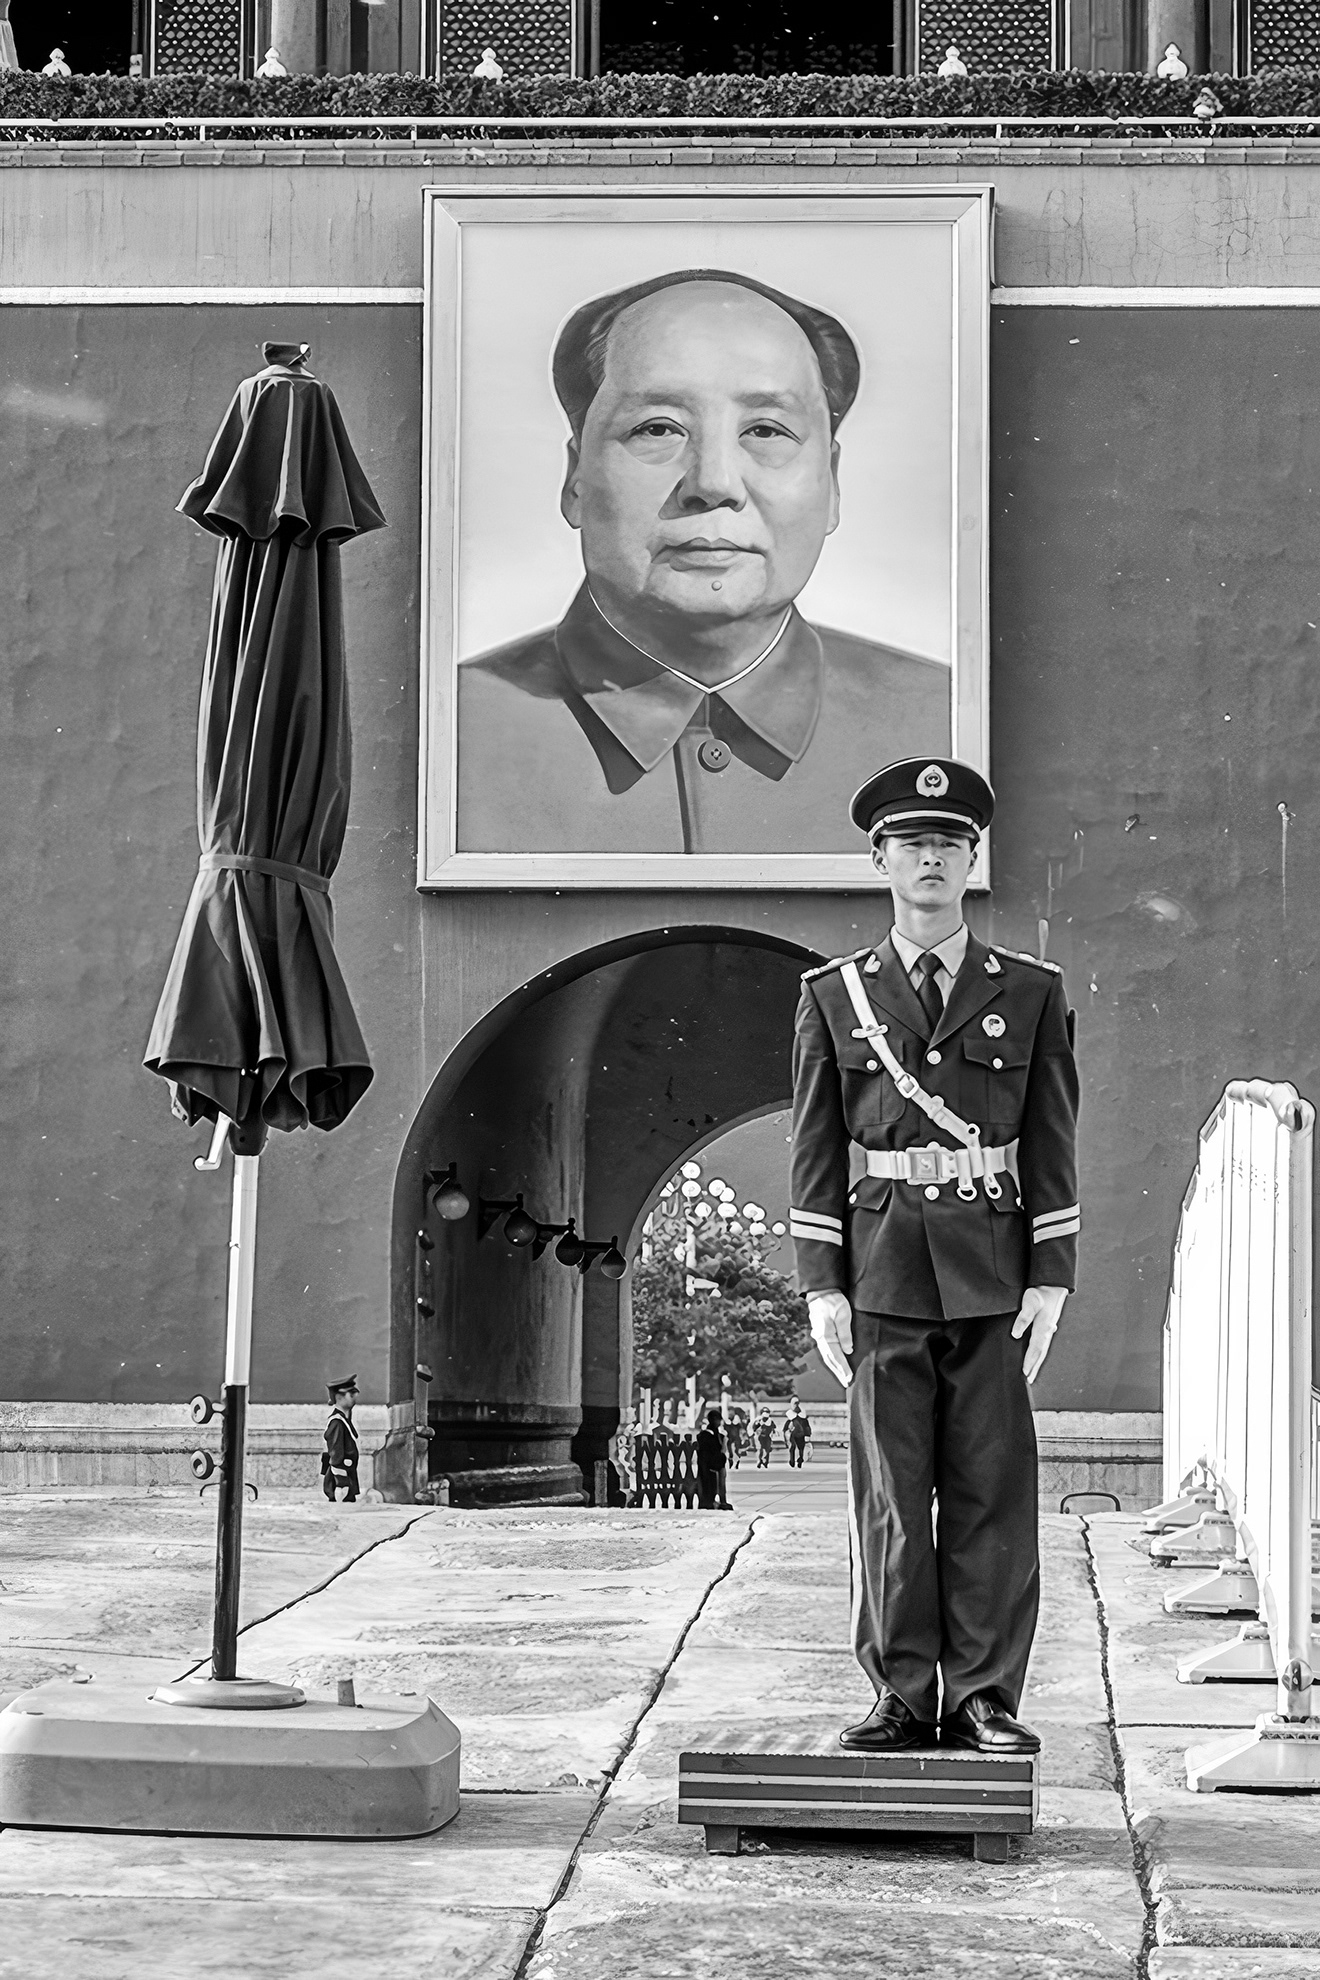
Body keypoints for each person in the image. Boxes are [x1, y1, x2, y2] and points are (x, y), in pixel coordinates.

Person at [790, 755, 1079, 1756]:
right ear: (880, 860)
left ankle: (986, 1696)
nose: (932, 860)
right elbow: (815, 1148)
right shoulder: (835, 996)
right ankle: (903, 1694)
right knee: (891, 1498)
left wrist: (1052, 1276)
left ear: (971, 861)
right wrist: (821, 1288)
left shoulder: (1030, 992)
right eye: (912, 844)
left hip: (993, 1272)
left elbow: (1052, 1138)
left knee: (993, 1492)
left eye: (950, 844)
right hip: (881, 1272)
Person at [457, 269, 949, 856]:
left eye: (766, 430)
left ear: (833, 483)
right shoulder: (445, 731)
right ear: (575, 480)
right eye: (657, 429)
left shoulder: (949, 724)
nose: (714, 483)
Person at [321, 1375, 361, 1502]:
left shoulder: (344, 1420)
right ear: (339, 1397)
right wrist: (342, 1484)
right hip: (341, 1486)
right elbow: (336, 1455)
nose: (355, 1397)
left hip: (347, 1481)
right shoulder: (337, 1423)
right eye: (351, 1394)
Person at [695, 1408, 733, 1510]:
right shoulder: (708, 1435)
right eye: (718, 1420)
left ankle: (721, 1501)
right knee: (715, 1481)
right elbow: (714, 1451)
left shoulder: (715, 1434)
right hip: (711, 1465)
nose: (719, 1422)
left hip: (715, 1464)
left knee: (721, 1476)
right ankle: (719, 1501)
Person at [783, 1398, 812, 1469]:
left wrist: (785, 1433)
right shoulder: (803, 1418)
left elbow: (786, 1427)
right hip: (801, 1434)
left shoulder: (792, 1417)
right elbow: (807, 1427)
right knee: (800, 1448)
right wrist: (807, 1434)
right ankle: (799, 1459)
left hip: (795, 1434)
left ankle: (793, 1460)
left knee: (793, 1447)